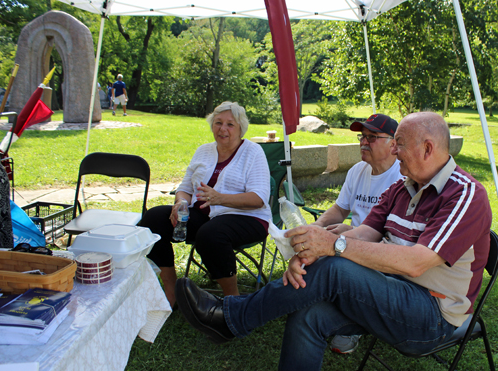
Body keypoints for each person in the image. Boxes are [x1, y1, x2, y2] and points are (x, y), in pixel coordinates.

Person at [175, 112, 492, 371]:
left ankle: (230, 318)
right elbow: (364, 231)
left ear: (427, 148)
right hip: (388, 291)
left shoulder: (465, 194)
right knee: (307, 314)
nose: (395, 152)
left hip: (432, 316)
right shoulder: (402, 187)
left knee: (335, 269)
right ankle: (230, 318)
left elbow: (416, 263)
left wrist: (333, 247)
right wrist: (313, 252)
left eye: (400, 145)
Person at [139, 101, 271, 308]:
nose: (223, 129)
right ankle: (171, 291)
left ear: (240, 128)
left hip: (248, 217)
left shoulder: (253, 152)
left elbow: (259, 198)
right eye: (218, 123)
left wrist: (220, 198)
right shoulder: (203, 151)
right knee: (153, 219)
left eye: (230, 124)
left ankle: (233, 301)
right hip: (204, 215)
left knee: (211, 235)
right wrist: (181, 203)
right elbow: (185, 188)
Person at [313, 113, 403, 354]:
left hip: (381, 253)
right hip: (350, 242)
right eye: (362, 137)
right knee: (311, 250)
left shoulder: (403, 178)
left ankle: (351, 324)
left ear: (393, 143)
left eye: (372, 137)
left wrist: (349, 232)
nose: (363, 142)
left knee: (327, 263)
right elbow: (340, 208)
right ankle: (317, 311)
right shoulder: (357, 170)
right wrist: (316, 227)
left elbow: (397, 238)